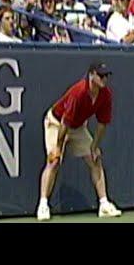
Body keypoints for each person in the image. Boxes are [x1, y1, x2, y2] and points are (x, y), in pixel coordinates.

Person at [36, 62, 122, 221]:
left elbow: (102, 124)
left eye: (106, 75)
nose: (104, 79)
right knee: (54, 161)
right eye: (101, 75)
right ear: (91, 75)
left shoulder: (106, 95)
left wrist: (94, 147)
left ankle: (104, 204)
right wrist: (58, 148)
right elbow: (64, 124)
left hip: (78, 127)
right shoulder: (78, 93)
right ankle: (43, 204)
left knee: (95, 159)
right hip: (56, 123)